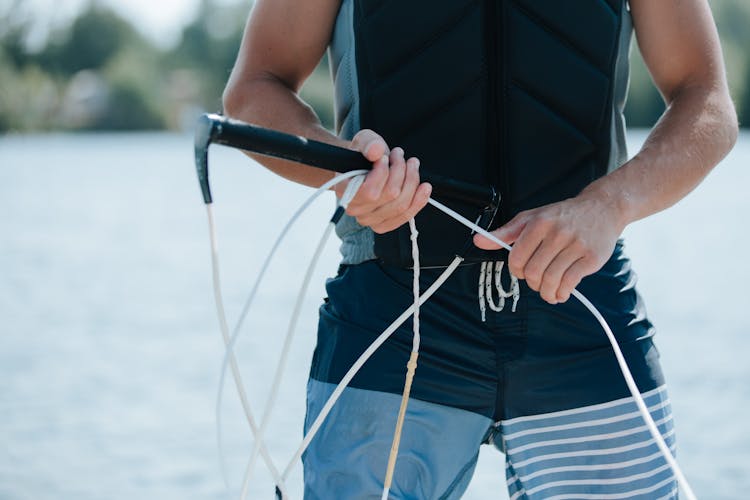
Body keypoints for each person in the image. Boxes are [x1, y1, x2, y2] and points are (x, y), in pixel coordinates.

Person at [223, 0, 737, 498]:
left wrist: (610, 204)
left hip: (579, 307)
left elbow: (706, 98)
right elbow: (254, 89)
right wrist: (344, 170)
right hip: (393, 312)